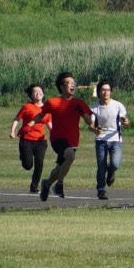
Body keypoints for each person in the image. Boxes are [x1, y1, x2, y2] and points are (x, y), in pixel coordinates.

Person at [38, 72, 92, 202]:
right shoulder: (52, 102)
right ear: (62, 86)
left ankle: (47, 183)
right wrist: (31, 123)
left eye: (74, 83)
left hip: (72, 140)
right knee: (70, 156)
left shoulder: (79, 103)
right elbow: (40, 115)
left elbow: (88, 120)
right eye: (69, 83)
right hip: (58, 139)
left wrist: (94, 125)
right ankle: (59, 185)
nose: (72, 85)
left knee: (60, 168)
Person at [89, 80, 129, 200]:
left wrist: (125, 121)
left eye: (108, 90)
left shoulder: (118, 105)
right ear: (99, 92)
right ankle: (101, 190)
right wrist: (95, 130)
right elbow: (90, 125)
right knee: (101, 165)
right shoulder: (94, 108)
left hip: (115, 139)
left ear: (111, 92)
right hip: (100, 140)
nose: (105, 92)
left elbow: (125, 120)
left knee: (115, 163)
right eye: (103, 90)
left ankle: (111, 173)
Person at [10, 84, 50, 192]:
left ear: (43, 93)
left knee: (39, 164)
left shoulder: (47, 108)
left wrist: (58, 136)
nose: (38, 93)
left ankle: (34, 186)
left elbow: (49, 124)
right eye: (35, 92)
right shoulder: (27, 107)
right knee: (28, 165)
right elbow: (17, 119)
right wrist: (12, 131)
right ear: (31, 95)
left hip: (41, 141)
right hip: (26, 139)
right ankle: (23, 156)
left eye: (40, 91)